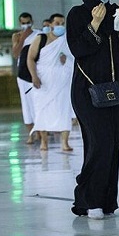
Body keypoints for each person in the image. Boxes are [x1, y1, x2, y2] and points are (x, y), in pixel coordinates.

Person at [67, 0, 119, 220]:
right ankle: (89, 200)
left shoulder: (116, 12)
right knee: (100, 144)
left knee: (113, 145)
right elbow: (78, 49)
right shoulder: (77, 14)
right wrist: (94, 24)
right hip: (87, 91)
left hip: (115, 91)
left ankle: (106, 201)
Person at [27, 13, 74, 151]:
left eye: (62, 23)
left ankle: (65, 143)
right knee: (42, 110)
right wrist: (34, 76)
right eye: (57, 23)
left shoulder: (66, 40)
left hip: (62, 81)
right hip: (43, 80)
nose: (60, 26)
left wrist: (67, 60)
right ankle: (44, 142)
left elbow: (74, 57)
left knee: (64, 110)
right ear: (51, 24)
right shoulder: (41, 38)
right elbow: (30, 58)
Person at [11, 12, 41, 144]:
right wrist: (22, 38)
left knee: (37, 103)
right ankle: (31, 133)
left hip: (36, 71)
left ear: (32, 21)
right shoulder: (16, 36)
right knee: (26, 105)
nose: (26, 25)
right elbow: (16, 54)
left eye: (28, 22)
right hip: (23, 74)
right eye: (23, 23)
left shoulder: (39, 35)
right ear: (20, 23)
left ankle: (41, 131)